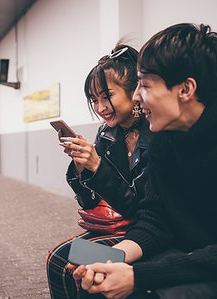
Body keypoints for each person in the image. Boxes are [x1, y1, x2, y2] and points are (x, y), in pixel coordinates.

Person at [73, 23, 217, 299]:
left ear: (186, 89)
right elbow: (154, 220)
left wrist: (138, 277)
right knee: (99, 283)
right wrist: (114, 258)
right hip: (190, 256)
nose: (137, 96)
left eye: (145, 85)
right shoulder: (167, 138)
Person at [46, 43, 154, 298]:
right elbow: (92, 202)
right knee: (59, 261)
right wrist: (82, 167)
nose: (99, 106)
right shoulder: (107, 134)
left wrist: (98, 167)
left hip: (143, 231)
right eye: (94, 99)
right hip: (120, 225)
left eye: (107, 96)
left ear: (134, 92)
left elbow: (140, 209)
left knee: (76, 265)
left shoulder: (156, 131)